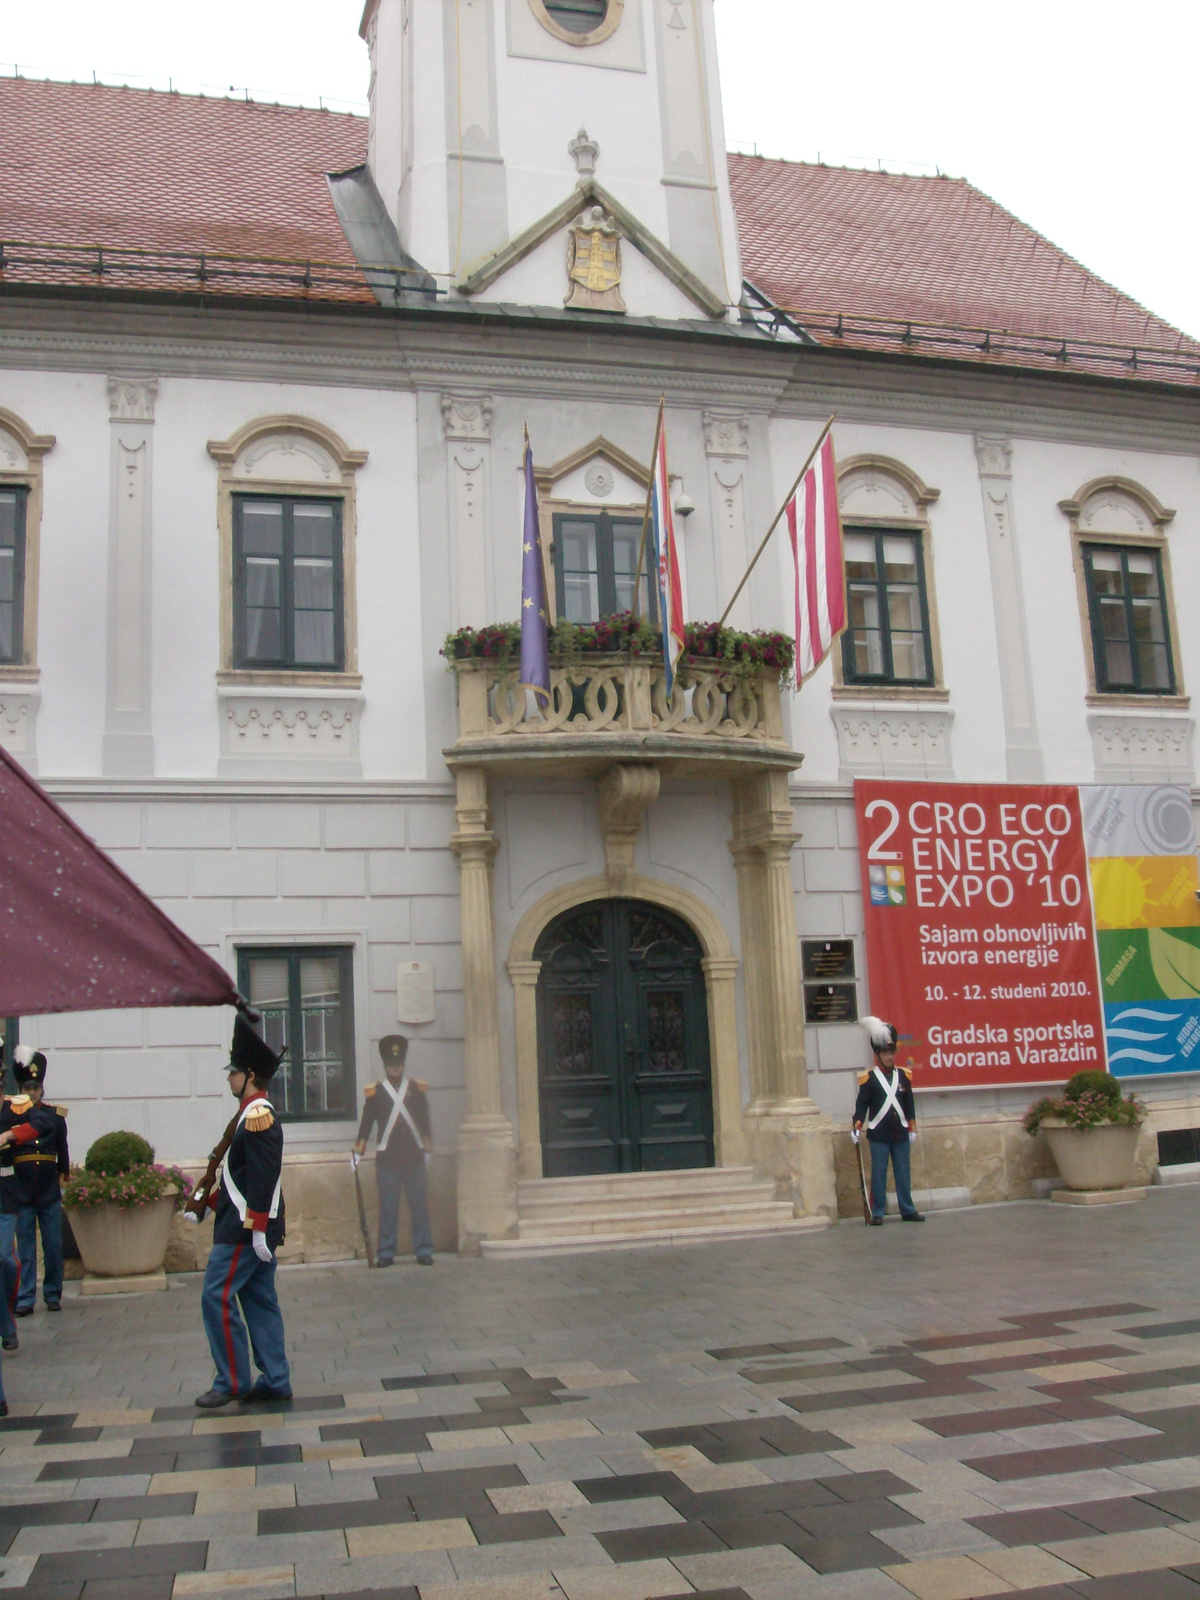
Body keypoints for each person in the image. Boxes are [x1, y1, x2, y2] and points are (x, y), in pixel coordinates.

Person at [191, 1015, 292, 1409]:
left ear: (250, 1075)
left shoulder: (257, 1116)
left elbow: (264, 1178)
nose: (229, 1079)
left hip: (244, 1232)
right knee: (258, 1298)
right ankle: (276, 1378)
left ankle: (231, 1379)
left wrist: (258, 1230)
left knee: (215, 1295)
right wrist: (208, 1201)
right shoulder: (249, 1114)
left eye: (234, 1073)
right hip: (247, 1225)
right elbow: (243, 1178)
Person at [352, 1035, 434, 1267]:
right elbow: (367, 1123)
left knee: (419, 1206)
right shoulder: (376, 1092)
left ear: (403, 1064)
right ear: (386, 1064)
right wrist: (358, 1149)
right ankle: (386, 1252)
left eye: (398, 1063)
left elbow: (424, 1119)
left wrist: (427, 1147)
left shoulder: (416, 1090)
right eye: (391, 1063)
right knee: (388, 1208)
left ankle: (424, 1249)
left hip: (413, 1156)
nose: (395, 1067)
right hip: (387, 1159)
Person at [1, 1049, 69, 1314]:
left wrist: (65, 1173)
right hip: (23, 1188)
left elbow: (61, 1147)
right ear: (19, 1088)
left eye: (36, 1087)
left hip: (49, 1189)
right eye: (27, 1087)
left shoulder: (53, 1116)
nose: (32, 1092)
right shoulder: (13, 1115)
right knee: (26, 1250)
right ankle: (26, 1297)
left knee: (53, 1246)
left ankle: (53, 1293)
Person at [853, 1016, 924, 1226]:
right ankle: (878, 1212)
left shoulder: (903, 1076)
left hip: (900, 1132)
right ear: (878, 1054)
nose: (889, 1056)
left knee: (903, 1172)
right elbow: (862, 1105)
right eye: (885, 1052)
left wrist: (912, 1126)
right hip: (879, 1133)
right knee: (879, 1174)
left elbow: (909, 1103)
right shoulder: (869, 1078)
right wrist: (857, 1124)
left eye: (891, 1052)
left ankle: (907, 1209)